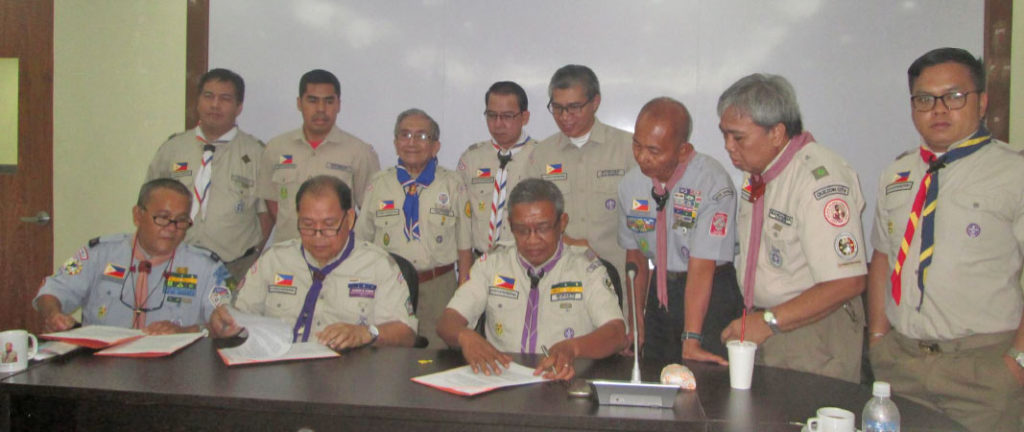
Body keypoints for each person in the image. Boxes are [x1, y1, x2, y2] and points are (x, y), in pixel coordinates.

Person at [867, 47, 1024, 432]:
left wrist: (1017, 363)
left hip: (982, 368)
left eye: (954, 96)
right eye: (925, 99)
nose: (938, 110)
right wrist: (877, 338)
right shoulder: (896, 174)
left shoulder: (1013, 173)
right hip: (902, 364)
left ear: (982, 102)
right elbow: (883, 257)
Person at [717, 74, 867, 383]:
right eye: (724, 135)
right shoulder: (758, 174)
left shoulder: (818, 180)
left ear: (777, 133)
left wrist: (770, 321)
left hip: (813, 331)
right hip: (768, 323)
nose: (728, 146)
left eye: (738, 137)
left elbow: (847, 282)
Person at [437, 178, 626, 380]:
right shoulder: (492, 263)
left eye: (543, 228)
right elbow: (447, 322)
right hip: (502, 379)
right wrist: (465, 336)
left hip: (565, 379)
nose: (532, 239)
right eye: (522, 230)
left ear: (562, 223)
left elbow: (616, 333)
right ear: (510, 225)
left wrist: (573, 348)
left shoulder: (585, 268)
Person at [210, 175, 417, 349]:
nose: (318, 236)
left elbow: (406, 334)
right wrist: (224, 323)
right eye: (307, 225)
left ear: (350, 218)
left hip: (348, 377)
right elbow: (239, 316)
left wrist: (367, 333)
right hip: (280, 372)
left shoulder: (378, 265)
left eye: (329, 225)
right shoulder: (274, 259)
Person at [618, 97, 742, 366]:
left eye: (654, 150)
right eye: (637, 145)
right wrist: (636, 319)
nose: (642, 157)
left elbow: (702, 266)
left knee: (706, 390)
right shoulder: (630, 185)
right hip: (661, 293)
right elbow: (636, 255)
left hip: (710, 293)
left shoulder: (712, 182)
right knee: (656, 381)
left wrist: (692, 338)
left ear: (683, 151)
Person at [34, 179, 232, 334]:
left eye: (181, 221)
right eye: (163, 218)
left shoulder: (207, 267)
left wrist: (185, 331)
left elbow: (224, 322)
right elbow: (53, 289)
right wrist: (54, 315)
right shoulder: (99, 253)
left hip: (173, 370)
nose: (172, 229)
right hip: (103, 366)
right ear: (138, 215)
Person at [354, 109, 471, 349]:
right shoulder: (379, 184)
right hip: (388, 286)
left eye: (422, 136)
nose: (412, 143)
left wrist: (463, 291)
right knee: (387, 354)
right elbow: (361, 241)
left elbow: (465, 244)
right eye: (405, 135)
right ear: (396, 143)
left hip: (438, 287)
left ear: (436, 146)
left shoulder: (453, 184)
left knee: (436, 358)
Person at [146, 68, 269, 280]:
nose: (215, 105)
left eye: (225, 98)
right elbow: (149, 204)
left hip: (234, 267)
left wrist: (256, 257)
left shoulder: (257, 153)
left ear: (239, 107)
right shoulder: (172, 149)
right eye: (208, 96)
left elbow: (266, 214)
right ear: (198, 101)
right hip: (174, 263)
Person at [527, 65, 635, 290]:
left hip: (617, 281)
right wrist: (571, 244)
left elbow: (644, 221)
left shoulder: (627, 149)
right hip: (558, 282)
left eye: (574, 107)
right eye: (557, 108)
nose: (564, 117)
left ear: (595, 102)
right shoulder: (541, 155)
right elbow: (529, 220)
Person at [257, 69, 380, 243]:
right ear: (299, 103)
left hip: (339, 256)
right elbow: (272, 201)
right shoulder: (276, 148)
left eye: (329, 101)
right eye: (312, 100)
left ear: (338, 104)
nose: (321, 109)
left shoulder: (359, 152)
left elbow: (369, 211)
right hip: (288, 253)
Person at [457, 81, 539, 257]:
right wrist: (464, 273)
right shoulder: (472, 158)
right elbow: (462, 222)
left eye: (507, 116)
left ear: (524, 117)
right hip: (481, 262)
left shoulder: (542, 156)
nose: (498, 123)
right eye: (492, 115)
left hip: (526, 262)